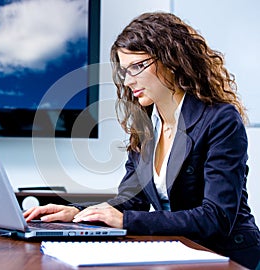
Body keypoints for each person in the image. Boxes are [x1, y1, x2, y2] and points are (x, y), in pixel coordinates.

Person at [24, 12, 260, 269]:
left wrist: (126, 222)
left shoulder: (220, 119)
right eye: (125, 71)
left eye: (137, 67)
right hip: (178, 249)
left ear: (172, 60)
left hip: (226, 254)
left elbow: (216, 217)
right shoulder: (147, 124)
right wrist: (78, 214)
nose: (128, 81)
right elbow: (131, 200)